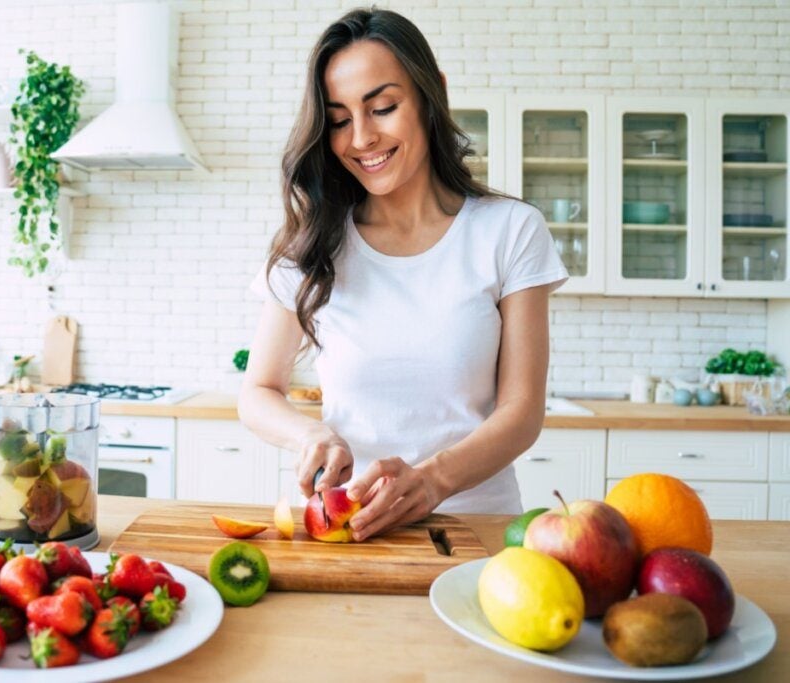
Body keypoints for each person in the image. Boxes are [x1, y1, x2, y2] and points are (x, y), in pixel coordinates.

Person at [238, 8, 568, 541]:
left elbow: (522, 411)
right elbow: (258, 390)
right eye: (340, 120)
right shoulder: (314, 243)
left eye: (383, 107)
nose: (362, 138)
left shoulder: (509, 231)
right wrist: (310, 435)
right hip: (352, 530)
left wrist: (434, 481)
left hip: (477, 529)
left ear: (430, 93)